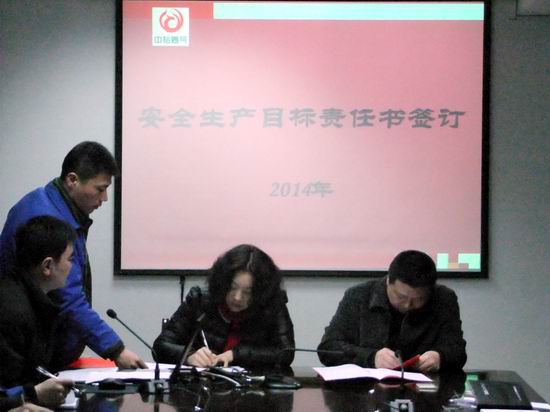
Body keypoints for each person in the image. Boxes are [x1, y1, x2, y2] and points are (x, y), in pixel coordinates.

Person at [0, 141, 145, 370]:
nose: (105, 198)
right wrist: (116, 350)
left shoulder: (52, 204)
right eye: (100, 189)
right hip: (26, 354)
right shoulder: (47, 218)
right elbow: (68, 299)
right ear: (72, 180)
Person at [317, 250, 466, 372]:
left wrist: (440, 357)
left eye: (419, 299)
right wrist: (371, 357)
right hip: (365, 391)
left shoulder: (444, 299)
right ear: (388, 281)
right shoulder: (359, 296)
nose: (408, 305)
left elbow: (457, 351)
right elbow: (328, 348)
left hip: (425, 389)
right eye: (401, 297)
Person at [153, 244, 295, 368]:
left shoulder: (272, 304)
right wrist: (188, 356)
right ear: (222, 282)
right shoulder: (200, 299)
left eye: (247, 292)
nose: (237, 297)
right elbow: (161, 347)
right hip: (201, 385)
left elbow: (286, 353)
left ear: (260, 292)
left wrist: (235, 354)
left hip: (254, 386)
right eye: (232, 288)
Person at [0, 216, 76, 411]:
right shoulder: (11, 311)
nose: (72, 267)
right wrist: (32, 395)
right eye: (70, 259)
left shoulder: (36, 301)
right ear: (47, 266)